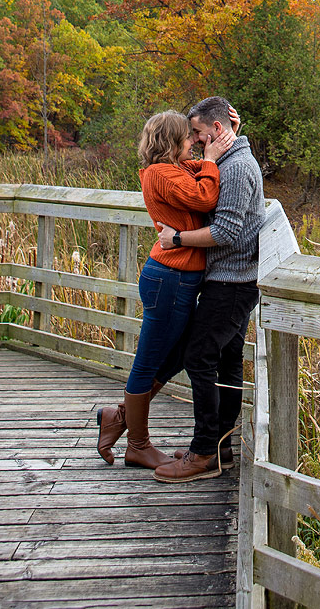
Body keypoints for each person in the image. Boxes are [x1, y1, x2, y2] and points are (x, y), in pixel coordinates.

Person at [95, 109, 232, 469]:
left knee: (178, 355)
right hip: (168, 280)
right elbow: (205, 198)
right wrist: (212, 160)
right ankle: (138, 445)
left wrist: (227, 131)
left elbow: (201, 172)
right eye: (188, 137)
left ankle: (121, 417)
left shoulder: (175, 168)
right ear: (172, 142)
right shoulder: (160, 174)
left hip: (179, 279)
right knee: (149, 361)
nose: (194, 141)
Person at [152, 94, 265, 483]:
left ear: (218, 129)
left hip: (231, 282)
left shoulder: (235, 168)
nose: (196, 141)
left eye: (199, 133)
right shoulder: (231, 158)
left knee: (199, 357)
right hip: (233, 279)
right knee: (226, 362)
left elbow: (227, 232)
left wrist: (178, 239)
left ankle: (203, 453)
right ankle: (220, 450)